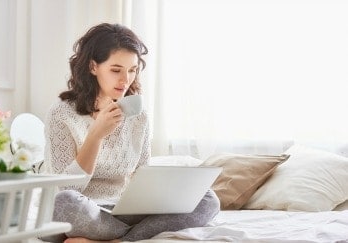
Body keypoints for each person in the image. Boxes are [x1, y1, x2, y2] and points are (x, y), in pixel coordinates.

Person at [43, 23, 220, 243]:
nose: (125, 79)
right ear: (92, 66)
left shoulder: (138, 114)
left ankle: (117, 241)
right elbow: (65, 188)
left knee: (207, 198)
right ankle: (127, 236)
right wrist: (96, 136)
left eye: (132, 70)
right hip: (80, 209)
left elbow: (141, 174)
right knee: (65, 201)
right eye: (116, 70)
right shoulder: (61, 113)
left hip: (120, 210)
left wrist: (159, 195)